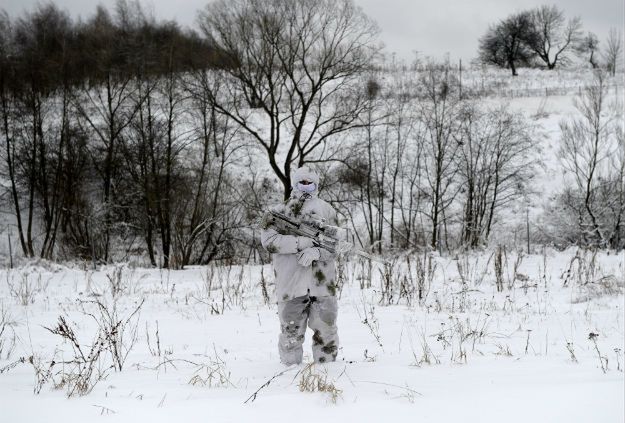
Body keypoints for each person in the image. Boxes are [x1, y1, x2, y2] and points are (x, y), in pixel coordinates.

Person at [260, 166, 340, 365]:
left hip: (322, 284)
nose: (305, 186)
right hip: (291, 283)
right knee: (291, 333)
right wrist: (299, 243)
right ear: (294, 183)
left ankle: (326, 372)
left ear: (317, 184)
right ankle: (289, 373)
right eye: (301, 182)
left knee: (326, 331)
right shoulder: (279, 212)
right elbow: (269, 240)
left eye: (309, 182)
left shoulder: (327, 211)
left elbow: (337, 244)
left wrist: (317, 252)